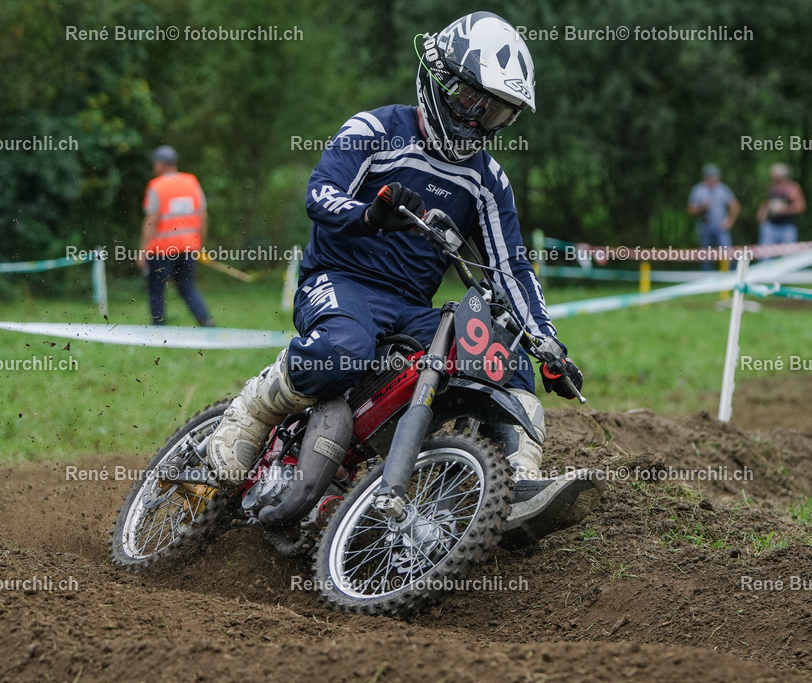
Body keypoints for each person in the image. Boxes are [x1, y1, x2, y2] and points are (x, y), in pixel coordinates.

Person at [207, 12, 604, 547]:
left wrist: (548, 345)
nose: (478, 121)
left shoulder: (485, 179)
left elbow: (510, 265)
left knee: (502, 358)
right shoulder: (373, 129)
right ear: (439, 80)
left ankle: (515, 484)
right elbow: (319, 196)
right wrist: (370, 215)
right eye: (471, 101)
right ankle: (250, 412)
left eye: (497, 112)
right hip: (340, 279)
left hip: (411, 307)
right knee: (343, 347)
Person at [138, 145, 215, 326]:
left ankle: (159, 326)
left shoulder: (157, 186)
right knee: (187, 287)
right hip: (188, 246)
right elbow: (202, 214)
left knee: (156, 289)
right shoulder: (191, 182)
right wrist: (200, 243)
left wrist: (143, 249)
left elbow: (152, 219)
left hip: (162, 249)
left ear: (161, 164)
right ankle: (205, 319)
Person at [687, 164, 740, 270]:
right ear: (705, 177)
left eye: (714, 176)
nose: (712, 179)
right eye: (709, 176)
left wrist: (729, 221)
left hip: (720, 227)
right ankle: (707, 280)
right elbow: (690, 210)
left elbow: (735, 205)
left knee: (727, 253)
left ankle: (731, 276)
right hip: (704, 226)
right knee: (706, 256)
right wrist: (702, 206)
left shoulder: (723, 189)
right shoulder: (698, 190)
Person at [756, 163, 806, 255]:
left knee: (788, 255)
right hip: (771, 225)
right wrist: (762, 213)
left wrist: (784, 210)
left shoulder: (792, 188)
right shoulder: (772, 187)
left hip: (787, 227)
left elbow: (801, 206)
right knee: (764, 253)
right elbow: (767, 203)